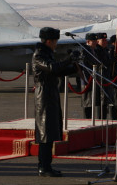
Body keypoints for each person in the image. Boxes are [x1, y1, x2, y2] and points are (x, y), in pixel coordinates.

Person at [33, 27, 79, 177]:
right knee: (45, 133)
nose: (56, 44)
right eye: (55, 41)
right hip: (44, 96)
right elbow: (52, 68)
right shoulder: (39, 55)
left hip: (50, 94)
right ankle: (43, 167)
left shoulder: (47, 54)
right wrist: (68, 60)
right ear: (49, 41)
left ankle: (47, 165)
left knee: (51, 131)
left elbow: (58, 71)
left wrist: (73, 67)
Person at [81, 33, 102, 119]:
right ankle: (87, 119)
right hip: (87, 79)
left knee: (92, 101)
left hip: (93, 79)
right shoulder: (85, 51)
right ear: (88, 42)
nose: (96, 43)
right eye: (93, 41)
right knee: (87, 103)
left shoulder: (93, 50)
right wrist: (86, 80)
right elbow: (83, 68)